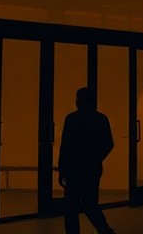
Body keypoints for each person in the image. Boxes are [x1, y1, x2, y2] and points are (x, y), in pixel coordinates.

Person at [58, 86, 116, 234]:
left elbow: (65, 147)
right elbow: (109, 143)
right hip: (92, 168)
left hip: (74, 169)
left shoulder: (71, 119)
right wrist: (96, 158)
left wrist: (62, 169)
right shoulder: (101, 119)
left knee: (71, 208)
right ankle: (105, 230)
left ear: (78, 101)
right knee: (91, 204)